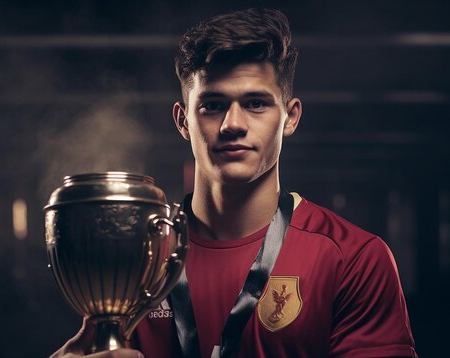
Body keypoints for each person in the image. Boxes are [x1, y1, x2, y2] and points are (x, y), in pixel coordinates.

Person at [52, 8, 417, 358]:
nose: (233, 124)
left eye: (256, 103)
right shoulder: (137, 256)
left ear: (290, 118)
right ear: (183, 122)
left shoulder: (353, 258)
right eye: (212, 105)